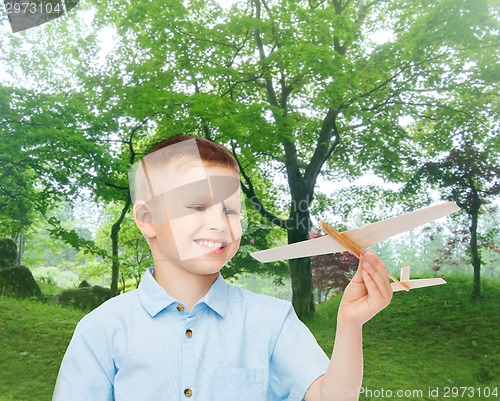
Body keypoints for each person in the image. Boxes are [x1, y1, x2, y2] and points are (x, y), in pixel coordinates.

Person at [52, 135, 393, 401]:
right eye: (198, 206)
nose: (219, 224)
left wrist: (350, 324)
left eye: (230, 211)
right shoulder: (101, 329)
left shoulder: (271, 321)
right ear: (148, 219)